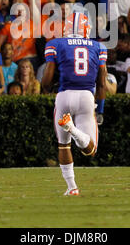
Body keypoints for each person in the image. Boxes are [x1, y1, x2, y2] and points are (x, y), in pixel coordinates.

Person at [41, 11, 107, 196]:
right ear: (87, 28)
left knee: (63, 145)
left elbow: (46, 79)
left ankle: (72, 187)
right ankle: (74, 129)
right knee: (90, 149)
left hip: (64, 95)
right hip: (86, 96)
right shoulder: (98, 47)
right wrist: (100, 110)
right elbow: (101, 83)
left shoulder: (55, 43)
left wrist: (49, 89)